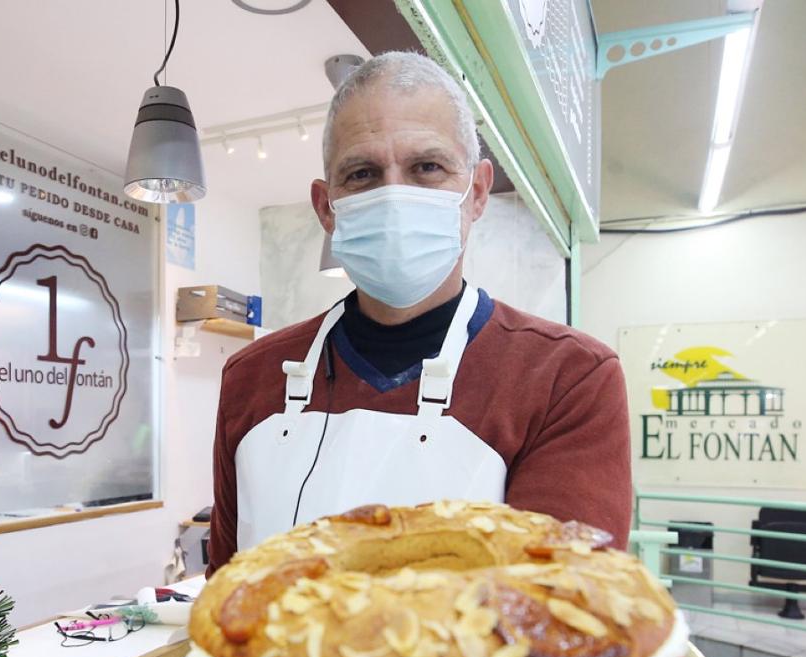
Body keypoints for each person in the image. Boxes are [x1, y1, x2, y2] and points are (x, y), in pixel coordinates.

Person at [207, 51, 631, 574]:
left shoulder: (566, 378)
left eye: (426, 167)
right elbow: (225, 585)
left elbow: (569, 615)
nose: (393, 197)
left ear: (476, 192)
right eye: (362, 174)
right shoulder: (252, 376)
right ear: (326, 208)